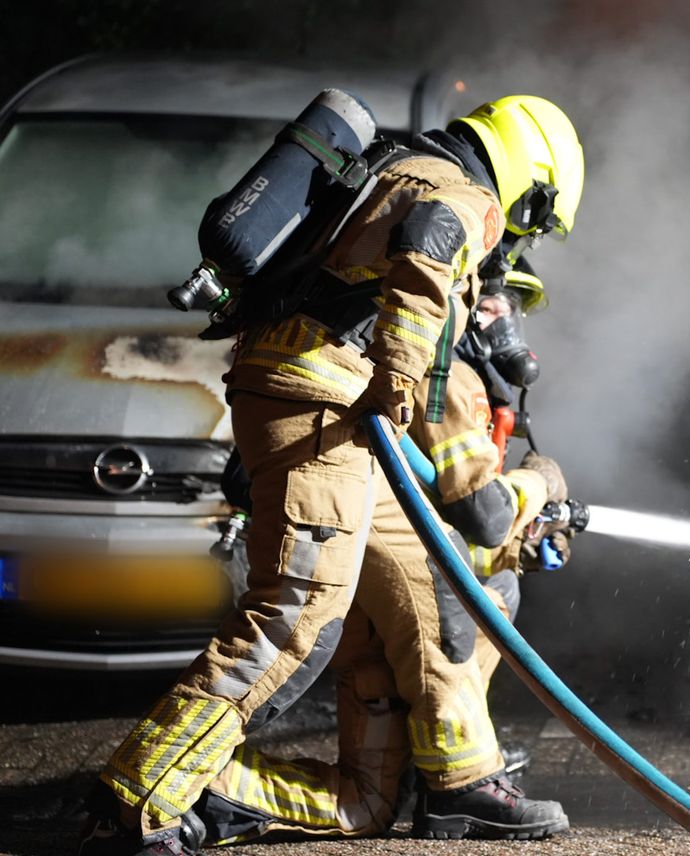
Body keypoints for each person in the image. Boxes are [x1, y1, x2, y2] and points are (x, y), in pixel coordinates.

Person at [80, 95, 584, 856]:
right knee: (296, 617)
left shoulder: (395, 166)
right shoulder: (460, 194)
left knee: (425, 571)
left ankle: (463, 780)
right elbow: (431, 245)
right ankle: (142, 794)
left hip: (314, 397)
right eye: (532, 221)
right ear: (532, 182)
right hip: (325, 401)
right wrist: (400, 385)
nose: (515, 241)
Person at [185, 279, 576, 846]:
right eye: (491, 304)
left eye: (511, 310)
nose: (504, 324)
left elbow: (439, 506)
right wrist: (539, 483)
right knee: (479, 598)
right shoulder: (446, 377)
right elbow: (480, 517)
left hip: (367, 588)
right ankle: (462, 781)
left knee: (367, 802)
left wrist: (529, 537)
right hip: (395, 592)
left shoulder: (425, 371)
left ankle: (210, 793)